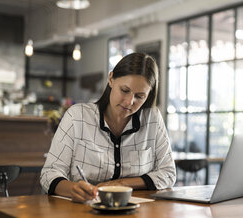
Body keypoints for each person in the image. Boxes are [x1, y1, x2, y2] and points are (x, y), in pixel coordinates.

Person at [40, 53, 176, 203]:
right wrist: (73, 190)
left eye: (140, 96)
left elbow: (168, 173)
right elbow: (49, 174)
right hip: (82, 213)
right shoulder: (77, 116)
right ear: (111, 79)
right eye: (124, 90)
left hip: (136, 215)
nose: (129, 101)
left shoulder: (153, 119)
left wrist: (120, 184)